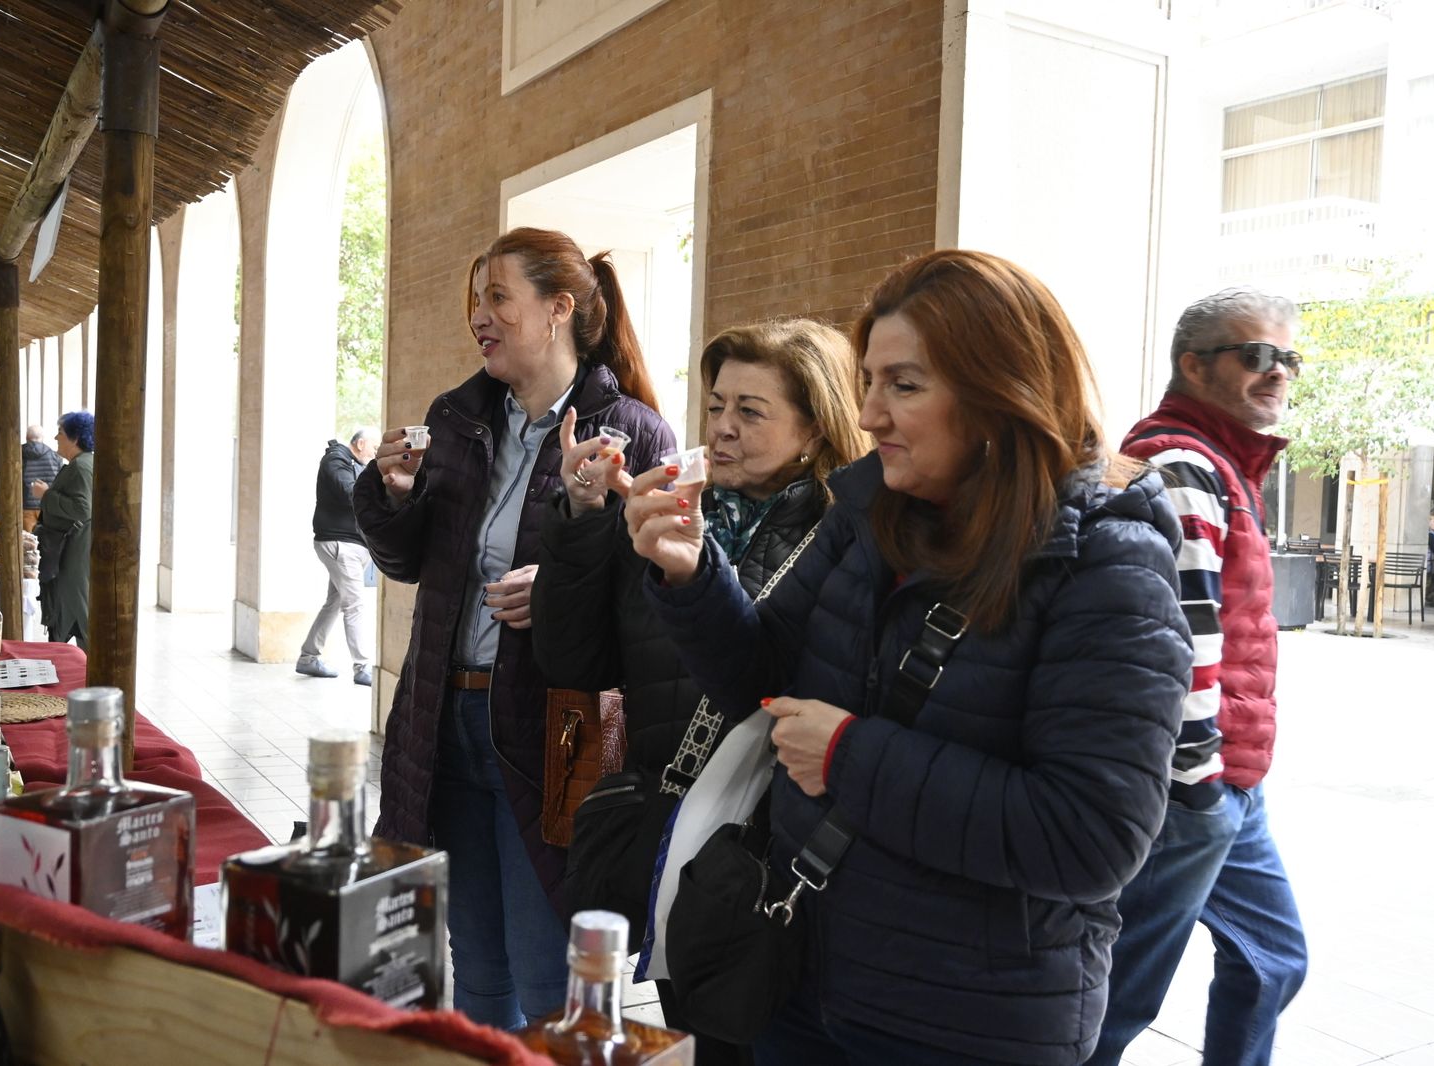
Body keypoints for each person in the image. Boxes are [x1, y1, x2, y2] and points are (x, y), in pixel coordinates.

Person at [628, 249, 1192, 1064]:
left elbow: (1092, 838)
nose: (869, 415)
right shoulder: (870, 518)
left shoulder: (1107, 563)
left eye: (904, 385)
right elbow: (760, 674)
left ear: (1003, 392)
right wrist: (689, 574)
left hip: (966, 1020)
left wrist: (851, 756)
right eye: (869, 382)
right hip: (803, 974)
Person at [353, 227, 676, 1030]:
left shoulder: (628, 429)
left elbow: (652, 604)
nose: (479, 317)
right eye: (477, 299)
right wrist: (391, 497)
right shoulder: (459, 420)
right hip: (446, 717)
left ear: (558, 309)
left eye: (498, 297)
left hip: (558, 729)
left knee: (546, 970)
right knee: (476, 963)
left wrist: (563, 583)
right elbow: (409, 562)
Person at [532, 318, 871, 1064]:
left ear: (816, 427)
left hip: (771, 860)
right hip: (671, 838)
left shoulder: (845, 539)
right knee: (693, 1032)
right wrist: (585, 520)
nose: (720, 429)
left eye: (751, 412)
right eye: (716, 405)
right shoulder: (670, 513)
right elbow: (572, 661)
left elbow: (788, 677)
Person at [1088, 289, 1310, 1065]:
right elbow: (1179, 636)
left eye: (1287, 358)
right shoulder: (1182, 465)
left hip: (1228, 784)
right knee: (1115, 999)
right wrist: (1198, 783)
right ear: (1193, 364)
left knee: (1274, 959)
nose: (1277, 372)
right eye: (1255, 355)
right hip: (1189, 788)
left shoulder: (1223, 462)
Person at [297, 428, 379, 685]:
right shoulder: (336, 459)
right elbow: (351, 492)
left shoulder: (352, 462)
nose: (375, 454)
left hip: (346, 545)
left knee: (334, 602)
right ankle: (363, 667)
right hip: (341, 546)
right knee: (354, 605)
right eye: (374, 449)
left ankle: (308, 658)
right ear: (361, 443)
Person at [34, 412, 94, 650]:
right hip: (72, 548)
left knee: (76, 604)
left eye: (60, 432)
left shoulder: (81, 467)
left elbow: (82, 508)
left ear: (75, 437)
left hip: (75, 550)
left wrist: (46, 495)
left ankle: (83, 666)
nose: (56, 437)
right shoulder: (81, 464)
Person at [22, 424, 63, 532]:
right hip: (47, 505)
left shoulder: (17, 454)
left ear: (27, 438)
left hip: (25, 506)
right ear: (42, 438)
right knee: (45, 542)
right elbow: (60, 480)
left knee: (27, 543)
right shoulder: (55, 456)